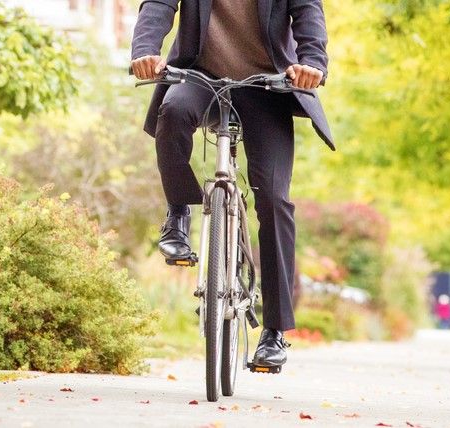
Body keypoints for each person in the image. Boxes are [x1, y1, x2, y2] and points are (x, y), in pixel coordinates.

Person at [130, 0, 334, 372]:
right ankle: (178, 215)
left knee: (273, 200)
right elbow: (158, 4)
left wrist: (313, 65)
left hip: (267, 86)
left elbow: (308, 13)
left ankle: (273, 331)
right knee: (172, 113)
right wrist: (145, 51)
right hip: (199, 76)